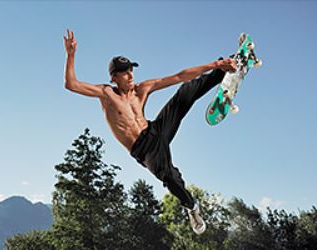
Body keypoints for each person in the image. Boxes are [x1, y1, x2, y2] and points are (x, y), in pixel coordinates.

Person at [63, 29, 237, 234]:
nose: (130, 76)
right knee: (170, 177)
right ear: (114, 78)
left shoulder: (142, 89)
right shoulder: (106, 94)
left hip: (155, 129)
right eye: (125, 72)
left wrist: (214, 65)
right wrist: (71, 55)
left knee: (184, 92)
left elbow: (179, 76)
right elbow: (71, 84)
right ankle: (192, 207)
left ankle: (225, 68)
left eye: (131, 71)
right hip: (144, 150)